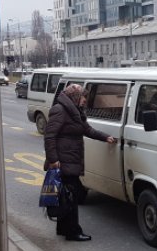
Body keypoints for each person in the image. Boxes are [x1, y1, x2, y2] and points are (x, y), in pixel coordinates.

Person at [43, 84, 116, 241]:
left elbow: (87, 130)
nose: (84, 101)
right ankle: (73, 231)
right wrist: (54, 159)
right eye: (83, 97)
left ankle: (63, 229)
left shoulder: (74, 111)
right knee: (71, 196)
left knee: (66, 196)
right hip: (63, 161)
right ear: (75, 97)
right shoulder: (60, 110)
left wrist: (105, 137)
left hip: (70, 159)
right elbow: (49, 136)